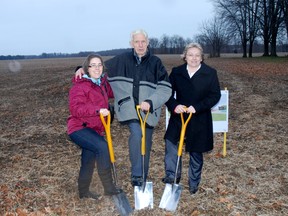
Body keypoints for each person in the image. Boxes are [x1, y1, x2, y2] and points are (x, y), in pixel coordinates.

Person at [75, 29, 172, 187]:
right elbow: (98, 67)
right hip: (129, 109)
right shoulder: (121, 60)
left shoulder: (156, 63)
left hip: (148, 110)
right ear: (131, 43)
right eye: (136, 42)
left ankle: (142, 177)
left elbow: (166, 88)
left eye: (143, 42)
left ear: (147, 43)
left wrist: (151, 101)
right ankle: (136, 175)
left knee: (145, 144)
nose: (140, 45)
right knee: (136, 133)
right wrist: (81, 68)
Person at [162, 43, 221, 195]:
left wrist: (198, 107)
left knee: (196, 150)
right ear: (185, 57)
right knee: (171, 144)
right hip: (179, 116)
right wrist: (174, 105)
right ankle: (172, 176)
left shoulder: (210, 73)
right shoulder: (177, 72)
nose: (194, 58)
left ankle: (193, 182)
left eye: (197, 55)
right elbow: (167, 92)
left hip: (199, 118)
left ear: (201, 58)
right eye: (190, 55)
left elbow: (215, 95)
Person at [67, 54, 122, 199]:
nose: (97, 68)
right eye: (93, 65)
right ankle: (109, 187)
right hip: (79, 128)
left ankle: (83, 192)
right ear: (87, 68)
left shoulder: (102, 83)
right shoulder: (80, 86)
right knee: (103, 147)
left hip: (95, 129)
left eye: (99, 65)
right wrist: (98, 110)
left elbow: (113, 92)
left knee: (88, 159)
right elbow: (75, 109)